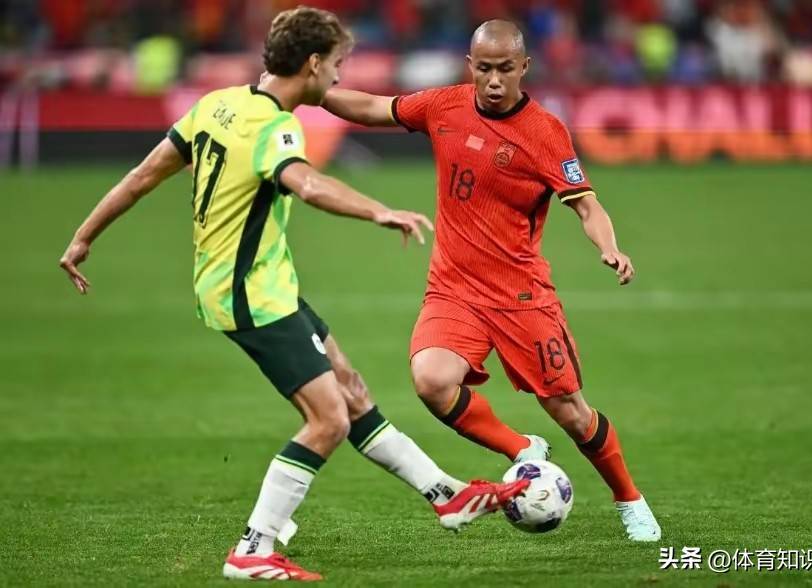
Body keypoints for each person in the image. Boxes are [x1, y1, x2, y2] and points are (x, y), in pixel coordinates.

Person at [58, 8, 528, 582]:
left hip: (259, 284)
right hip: (251, 295)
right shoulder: (274, 127)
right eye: (336, 64)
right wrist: (377, 211)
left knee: (351, 391)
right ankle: (252, 549)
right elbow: (305, 182)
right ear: (311, 64)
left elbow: (142, 175)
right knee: (328, 421)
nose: (338, 76)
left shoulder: (217, 105)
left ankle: (445, 495)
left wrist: (83, 236)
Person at [321, 19, 661, 542]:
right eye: (484, 68)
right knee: (432, 380)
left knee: (571, 413)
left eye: (505, 69)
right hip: (453, 289)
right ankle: (520, 449)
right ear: (470, 66)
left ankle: (630, 499)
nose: (494, 80)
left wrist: (608, 246)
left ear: (524, 67)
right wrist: (309, 92)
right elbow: (372, 107)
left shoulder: (545, 132)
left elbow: (586, 204)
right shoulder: (444, 105)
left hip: (520, 296)